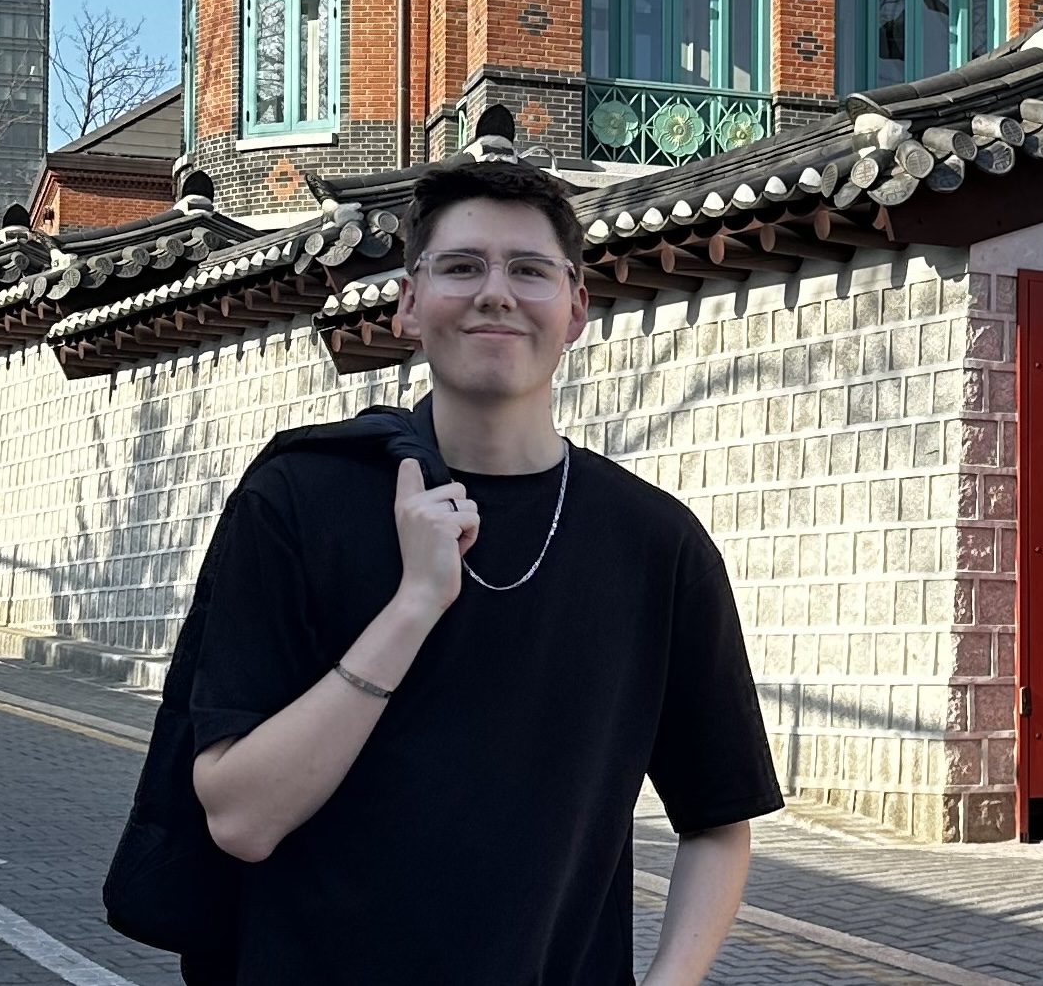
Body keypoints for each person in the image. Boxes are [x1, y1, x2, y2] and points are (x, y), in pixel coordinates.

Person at [190, 157, 783, 983]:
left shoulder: (654, 543)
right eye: (461, 266)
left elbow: (719, 820)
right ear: (407, 302)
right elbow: (239, 816)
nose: (495, 292)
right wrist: (415, 602)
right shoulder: (298, 499)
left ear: (576, 306)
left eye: (529, 269)